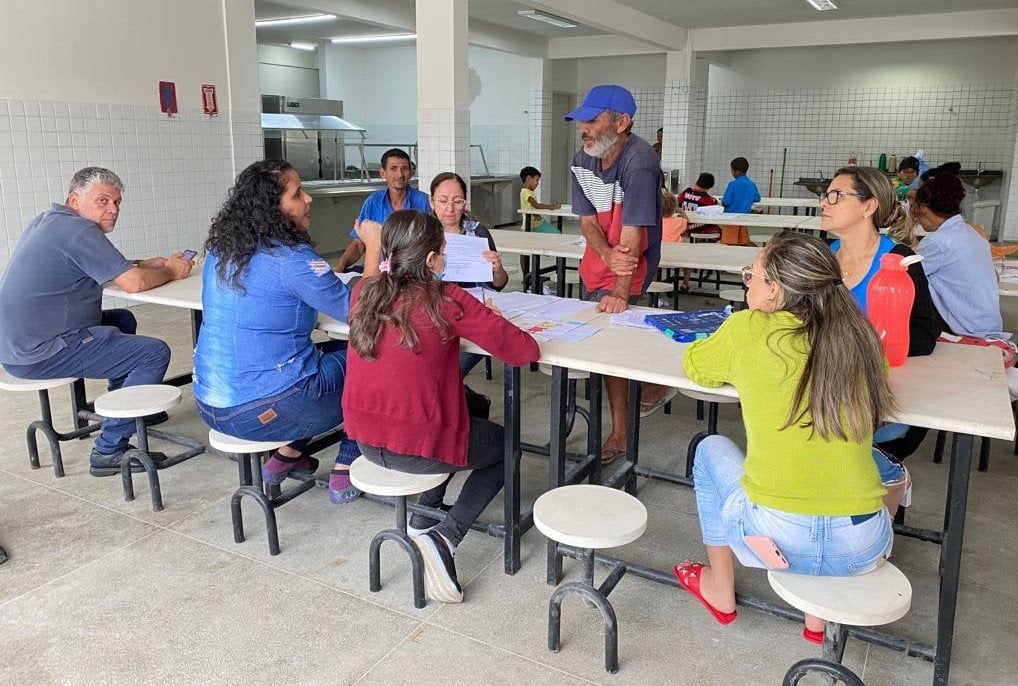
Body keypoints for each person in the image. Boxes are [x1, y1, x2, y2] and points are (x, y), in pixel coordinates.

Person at [676, 231, 897, 643]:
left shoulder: (747, 328)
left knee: (709, 449)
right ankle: (816, 618)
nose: (748, 284)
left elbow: (697, 366)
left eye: (752, 275)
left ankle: (720, 590)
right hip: (863, 547)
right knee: (867, 465)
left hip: (775, 539)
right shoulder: (860, 333)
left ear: (775, 290)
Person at [343, 209, 540, 603]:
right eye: (443, 252)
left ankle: (424, 513)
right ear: (432, 259)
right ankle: (445, 536)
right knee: (507, 447)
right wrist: (488, 319)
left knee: (473, 405)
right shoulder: (447, 299)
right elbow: (524, 351)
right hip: (415, 443)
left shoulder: (363, 291)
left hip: (364, 438)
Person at [0, 167, 193, 476]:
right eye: (103, 200)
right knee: (153, 352)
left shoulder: (50, 221)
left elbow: (91, 263)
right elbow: (134, 284)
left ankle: (128, 404)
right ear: (74, 200)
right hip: (42, 351)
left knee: (123, 319)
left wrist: (139, 263)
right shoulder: (79, 231)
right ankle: (109, 449)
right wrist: (171, 271)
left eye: (117, 202)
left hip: (18, 345)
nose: (112, 209)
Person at [193, 160, 365, 504]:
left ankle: (286, 457)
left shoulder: (221, 250)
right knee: (372, 359)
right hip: (266, 411)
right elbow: (362, 314)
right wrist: (372, 248)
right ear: (272, 207)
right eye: (297, 194)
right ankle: (346, 469)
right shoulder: (291, 259)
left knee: (334, 354)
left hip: (209, 405)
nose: (308, 199)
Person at [565, 84, 671, 462]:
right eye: (582, 122)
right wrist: (605, 255)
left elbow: (633, 234)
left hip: (631, 264)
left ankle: (621, 433)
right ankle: (650, 385)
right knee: (600, 346)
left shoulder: (639, 161)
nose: (584, 129)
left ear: (622, 122)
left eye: (592, 121)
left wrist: (621, 291)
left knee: (614, 351)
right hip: (599, 262)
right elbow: (587, 221)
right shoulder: (583, 159)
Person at [824, 166, 939, 461]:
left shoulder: (898, 261)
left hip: (875, 391)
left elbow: (925, 334)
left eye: (836, 195)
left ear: (869, 206)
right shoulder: (822, 257)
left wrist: (858, 346)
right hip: (825, 386)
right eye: (826, 195)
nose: (824, 203)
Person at [431, 172, 508, 381]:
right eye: (443, 201)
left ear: (464, 203)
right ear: (432, 201)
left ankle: (454, 391)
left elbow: (498, 285)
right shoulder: (421, 233)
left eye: (457, 201)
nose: (450, 208)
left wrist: (497, 269)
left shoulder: (477, 232)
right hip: (432, 314)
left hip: (471, 314)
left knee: (449, 371)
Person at [913, 174, 1007, 340]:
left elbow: (905, 273)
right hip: (988, 323)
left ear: (923, 208)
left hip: (967, 329)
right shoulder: (971, 233)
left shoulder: (938, 242)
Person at [332, 148, 430, 273]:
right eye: (393, 169)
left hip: (411, 273)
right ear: (383, 173)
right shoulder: (373, 201)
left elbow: (433, 243)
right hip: (376, 270)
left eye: (404, 168)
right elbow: (359, 243)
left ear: (410, 173)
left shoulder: (424, 202)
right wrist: (338, 269)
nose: (400, 174)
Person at [675, 173, 721, 292]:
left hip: (685, 228)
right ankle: (702, 260)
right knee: (719, 231)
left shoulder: (686, 192)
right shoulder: (708, 199)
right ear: (710, 186)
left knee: (687, 251)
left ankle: (686, 280)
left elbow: (677, 202)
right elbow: (714, 210)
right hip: (700, 229)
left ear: (697, 181)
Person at [720, 157, 760, 246]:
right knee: (743, 243)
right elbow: (757, 198)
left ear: (736, 171)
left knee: (730, 244)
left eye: (732, 170)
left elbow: (726, 202)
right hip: (744, 218)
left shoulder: (732, 184)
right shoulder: (751, 184)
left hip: (730, 219)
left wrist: (722, 202)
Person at [519, 166, 561, 234]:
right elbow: (536, 205)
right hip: (531, 226)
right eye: (537, 180)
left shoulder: (530, 192)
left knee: (557, 233)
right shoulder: (525, 192)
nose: (538, 183)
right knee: (556, 234)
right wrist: (552, 206)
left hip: (540, 223)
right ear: (528, 178)